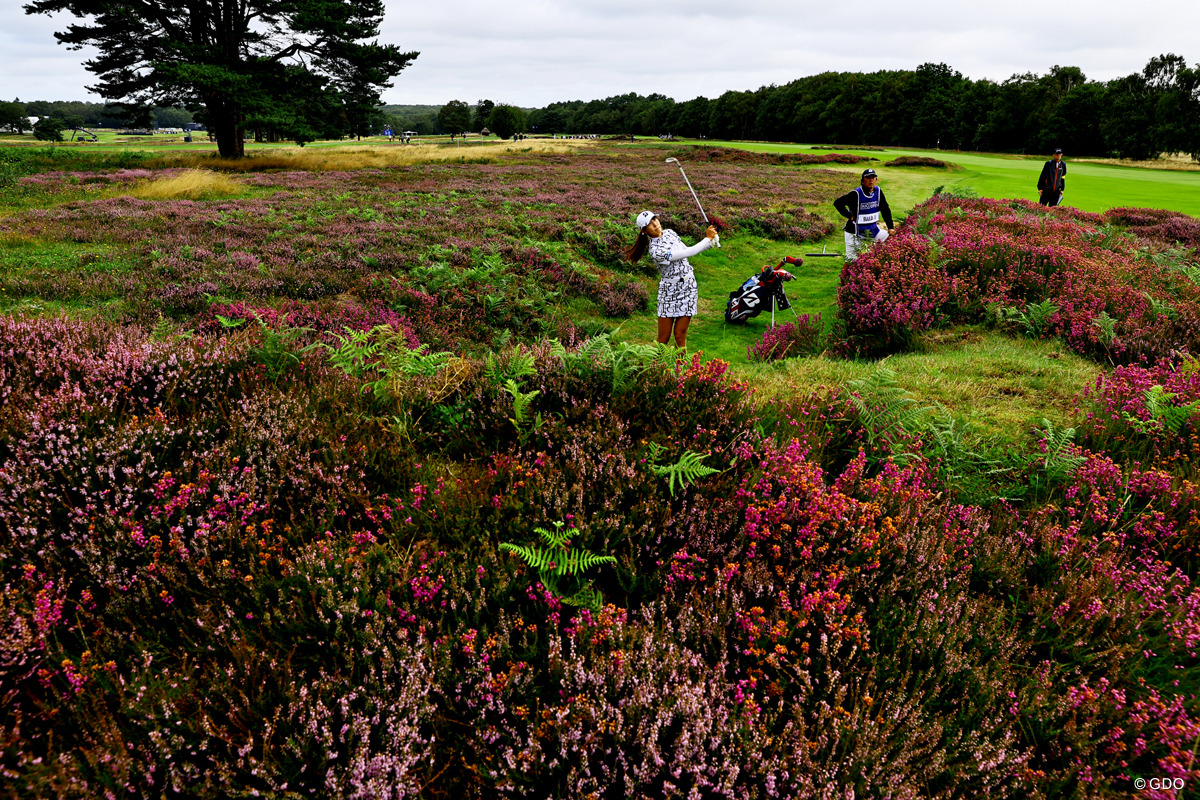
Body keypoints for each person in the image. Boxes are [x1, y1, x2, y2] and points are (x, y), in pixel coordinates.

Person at [625, 210, 719, 347]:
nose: (655, 225)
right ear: (644, 231)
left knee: (680, 335)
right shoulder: (656, 251)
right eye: (649, 225)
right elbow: (688, 252)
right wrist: (707, 239)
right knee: (663, 339)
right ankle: (655, 367)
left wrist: (710, 242)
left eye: (654, 220)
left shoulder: (670, 232)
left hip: (688, 288)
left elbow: (685, 250)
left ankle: (681, 368)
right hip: (669, 292)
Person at [834, 168, 893, 261]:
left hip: (873, 230)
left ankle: (876, 263)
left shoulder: (878, 192)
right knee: (851, 261)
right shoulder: (855, 194)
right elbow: (838, 203)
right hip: (853, 232)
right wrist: (849, 216)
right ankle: (844, 275)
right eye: (868, 178)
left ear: (876, 180)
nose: (871, 180)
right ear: (862, 181)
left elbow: (885, 209)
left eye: (873, 177)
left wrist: (890, 227)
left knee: (891, 239)